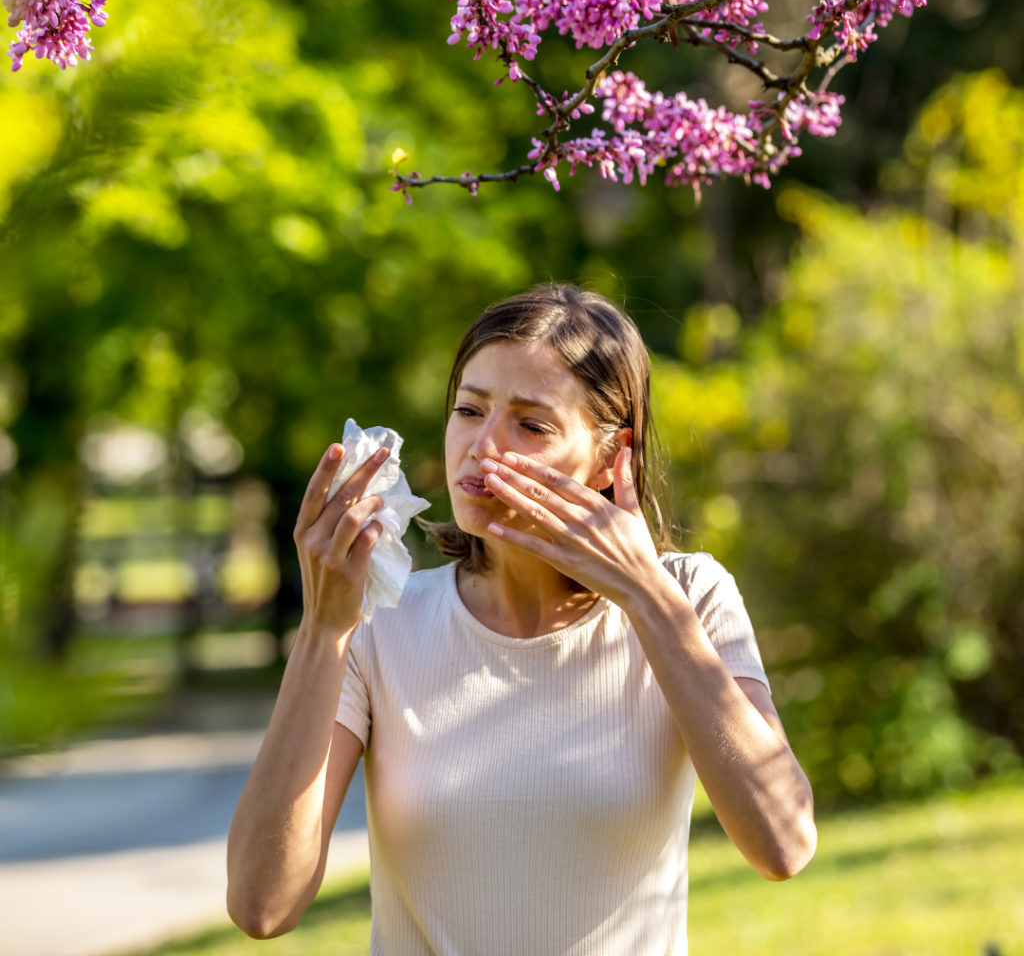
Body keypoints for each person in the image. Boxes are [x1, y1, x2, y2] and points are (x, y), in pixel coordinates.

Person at [226, 283, 817, 955]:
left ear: (609, 456)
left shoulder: (690, 597)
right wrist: (323, 630)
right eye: (469, 410)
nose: (481, 445)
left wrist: (648, 598)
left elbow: (784, 844)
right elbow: (260, 904)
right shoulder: (382, 625)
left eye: (530, 423)